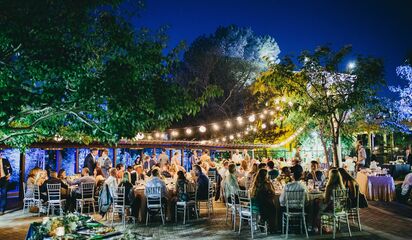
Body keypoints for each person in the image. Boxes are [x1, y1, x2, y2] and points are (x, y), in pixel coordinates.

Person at [250, 169, 278, 233]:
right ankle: (272, 227)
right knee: (273, 208)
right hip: (263, 205)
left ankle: (263, 221)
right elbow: (273, 193)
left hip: (256, 205)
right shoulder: (266, 184)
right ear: (266, 176)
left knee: (270, 206)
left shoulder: (255, 183)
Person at [0, 150, 12, 215]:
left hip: (4, 179)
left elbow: (10, 169)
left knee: (3, 194)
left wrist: (9, 175)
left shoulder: (5, 161)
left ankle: (2, 209)